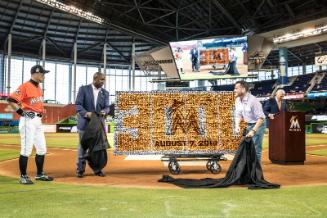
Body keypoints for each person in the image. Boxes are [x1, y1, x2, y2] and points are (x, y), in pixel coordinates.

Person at [7, 65, 54, 184]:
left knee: (42, 149)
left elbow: (36, 104)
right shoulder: (25, 86)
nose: (44, 76)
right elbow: (11, 99)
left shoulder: (38, 87)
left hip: (37, 120)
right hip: (28, 120)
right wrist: (22, 113)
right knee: (26, 149)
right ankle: (23, 176)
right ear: (35, 74)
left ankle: (39, 174)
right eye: (42, 73)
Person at [75, 72, 110, 178]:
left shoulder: (105, 93)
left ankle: (97, 169)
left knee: (98, 148)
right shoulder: (83, 89)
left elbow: (107, 107)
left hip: (98, 125)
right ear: (95, 78)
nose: (103, 82)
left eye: (104, 80)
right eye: (101, 79)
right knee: (82, 147)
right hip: (85, 124)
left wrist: (105, 111)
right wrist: (86, 113)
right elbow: (78, 104)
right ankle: (80, 170)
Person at [234, 81, 266, 161]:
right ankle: (249, 169)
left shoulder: (253, 101)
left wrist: (253, 130)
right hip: (249, 124)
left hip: (258, 125)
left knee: (255, 148)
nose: (235, 90)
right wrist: (237, 125)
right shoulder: (237, 100)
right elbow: (238, 115)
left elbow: (261, 118)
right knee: (247, 148)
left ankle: (256, 171)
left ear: (243, 89)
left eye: (236, 88)